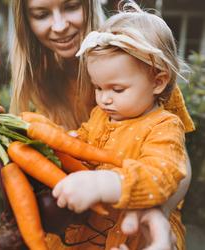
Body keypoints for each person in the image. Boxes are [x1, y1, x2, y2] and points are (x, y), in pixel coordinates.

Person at [0, 0, 194, 249]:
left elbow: (172, 168)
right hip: (85, 226)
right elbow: (74, 145)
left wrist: (115, 189)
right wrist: (19, 154)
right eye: (42, 14)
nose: (59, 26)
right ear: (27, 21)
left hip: (135, 231)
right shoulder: (89, 107)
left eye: (71, 6)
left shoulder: (141, 58)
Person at [50, 1, 190, 249]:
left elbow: (163, 175)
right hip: (89, 231)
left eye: (117, 89)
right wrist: (61, 142)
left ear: (158, 82)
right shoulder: (100, 115)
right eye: (98, 87)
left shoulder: (164, 126)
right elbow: (81, 143)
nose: (104, 98)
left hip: (134, 236)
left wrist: (106, 183)